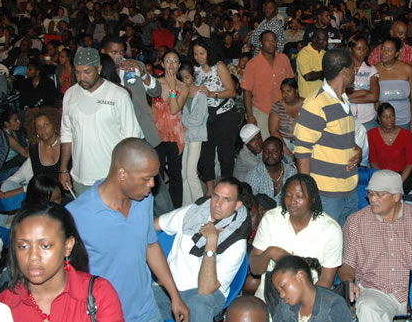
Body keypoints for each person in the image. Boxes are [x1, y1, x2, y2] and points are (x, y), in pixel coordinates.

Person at [67, 138, 189, 322]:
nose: (152, 185)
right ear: (122, 174)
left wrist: (174, 295)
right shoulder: (76, 215)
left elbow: (151, 246)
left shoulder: (143, 199)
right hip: (107, 315)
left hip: (147, 310)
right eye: (146, 179)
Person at [339, 170, 412, 322]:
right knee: (367, 307)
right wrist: (348, 283)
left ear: (396, 196)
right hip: (375, 291)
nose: (372, 198)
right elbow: (347, 264)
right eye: (370, 193)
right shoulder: (356, 222)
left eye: (379, 194)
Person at [0, 202, 124, 321]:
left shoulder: (99, 295)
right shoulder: (1, 307)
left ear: (67, 246)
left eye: (45, 246)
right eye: (24, 246)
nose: (33, 256)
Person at [153, 177, 251, 322]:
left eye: (226, 200)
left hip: (206, 294)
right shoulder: (194, 212)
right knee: (139, 295)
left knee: (198, 306)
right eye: (215, 196)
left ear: (237, 205)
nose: (218, 204)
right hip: (171, 286)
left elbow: (205, 289)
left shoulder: (236, 241)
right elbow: (156, 225)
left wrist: (211, 242)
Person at [59, 47, 143, 196]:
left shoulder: (118, 95)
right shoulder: (70, 94)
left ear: (98, 69)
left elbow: (132, 139)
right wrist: (63, 169)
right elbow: (66, 134)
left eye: (87, 72)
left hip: (111, 177)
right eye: (77, 72)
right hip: (80, 178)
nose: (81, 78)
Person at [294, 48, 362, 226]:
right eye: (353, 68)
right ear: (345, 71)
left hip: (349, 188)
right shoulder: (315, 104)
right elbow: (302, 152)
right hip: (327, 193)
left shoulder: (343, 99)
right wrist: (308, 193)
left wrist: (357, 149)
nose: (355, 72)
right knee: (327, 247)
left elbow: (339, 138)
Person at [250, 174, 342, 304]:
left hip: (310, 296)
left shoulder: (331, 229)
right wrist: (269, 253)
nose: (292, 201)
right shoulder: (271, 219)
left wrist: (306, 304)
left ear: (313, 198)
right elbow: (255, 269)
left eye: (300, 197)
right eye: (288, 195)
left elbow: (326, 279)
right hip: (270, 293)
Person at [101, 34, 162, 149]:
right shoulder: (98, 71)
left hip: (141, 130)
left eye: (121, 52)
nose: (118, 56)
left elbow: (156, 91)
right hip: (112, 133)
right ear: (103, 52)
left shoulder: (135, 65)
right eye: (113, 52)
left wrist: (142, 73)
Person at [193, 41, 238, 195]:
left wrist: (212, 94)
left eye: (202, 53)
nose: (199, 57)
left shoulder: (218, 66)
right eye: (196, 54)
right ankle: (210, 190)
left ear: (208, 53)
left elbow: (232, 91)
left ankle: (226, 187)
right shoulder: (195, 70)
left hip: (224, 113)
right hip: (205, 115)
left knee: (225, 153)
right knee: (206, 153)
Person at [152, 49, 189, 208]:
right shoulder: (154, 84)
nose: (171, 64)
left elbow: (174, 109)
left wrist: (173, 87)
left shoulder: (184, 87)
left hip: (175, 136)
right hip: (156, 135)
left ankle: (176, 209)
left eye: (175, 60)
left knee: (175, 174)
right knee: (156, 173)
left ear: (179, 65)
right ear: (162, 63)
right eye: (168, 60)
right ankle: (158, 207)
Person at [242, 30, 294, 141]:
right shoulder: (252, 64)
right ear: (261, 44)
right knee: (266, 144)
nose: (272, 43)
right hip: (262, 111)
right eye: (268, 41)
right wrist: (250, 115)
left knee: (284, 143)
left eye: (274, 40)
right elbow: (247, 91)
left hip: (282, 110)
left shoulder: (284, 59)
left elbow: (291, 84)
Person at [272, 255, 352, 322]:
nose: (282, 295)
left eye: (283, 286)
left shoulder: (334, 306)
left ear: (300, 276)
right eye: (278, 291)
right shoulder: (284, 306)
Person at [375, 37, 412, 135]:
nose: (384, 52)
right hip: (383, 122)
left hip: (404, 121)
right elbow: (373, 97)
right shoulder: (374, 70)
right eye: (383, 49)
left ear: (397, 53)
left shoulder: (407, 70)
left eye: (389, 50)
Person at [179, 61, 208, 204]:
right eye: (182, 77)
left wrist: (183, 122)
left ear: (192, 76)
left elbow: (199, 118)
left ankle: (199, 205)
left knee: (191, 173)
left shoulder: (201, 93)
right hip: (185, 136)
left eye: (187, 77)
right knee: (183, 173)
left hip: (196, 136)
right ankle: (187, 205)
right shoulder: (182, 93)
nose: (185, 80)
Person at [367, 103, 412, 182]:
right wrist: (384, 180)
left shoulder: (406, 135)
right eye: (385, 117)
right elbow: (373, 162)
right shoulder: (372, 134)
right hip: (381, 175)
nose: (389, 119)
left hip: (402, 176)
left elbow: (410, 163)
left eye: (391, 116)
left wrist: (398, 182)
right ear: (379, 119)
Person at [245, 137, 297, 203]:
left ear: (282, 153)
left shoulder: (292, 173)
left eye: (274, 151)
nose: (270, 155)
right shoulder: (253, 175)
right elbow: (247, 203)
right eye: (266, 151)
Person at [347, 35, 379, 131]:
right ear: (350, 49)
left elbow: (374, 96)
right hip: (347, 119)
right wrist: (365, 92)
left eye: (365, 48)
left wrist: (347, 99)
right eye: (359, 48)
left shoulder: (372, 70)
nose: (362, 52)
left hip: (367, 119)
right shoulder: (344, 69)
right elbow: (340, 94)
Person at [269, 78, 304, 161]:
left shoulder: (307, 104)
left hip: (304, 142)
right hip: (284, 143)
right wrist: (285, 148)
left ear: (296, 90)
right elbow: (273, 130)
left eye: (289, 91)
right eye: (283, 92)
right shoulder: (277, 106)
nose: (285, 94)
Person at [0, 108, 28, 183]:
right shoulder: (7, 137)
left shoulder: (12, 132)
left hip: (6, 164)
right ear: (6, 123)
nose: (19, 122)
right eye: (15, 120)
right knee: (23, 158)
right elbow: (25, 153)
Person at [297, 29, 327, 98]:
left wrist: (318, 74)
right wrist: (324, 73)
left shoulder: (324, 53)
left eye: (326, 40)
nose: (325, 42)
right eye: (322, 40)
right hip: (307, 97)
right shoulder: (304, 53)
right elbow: (308, 76)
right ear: (314, 39)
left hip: (322, 96)